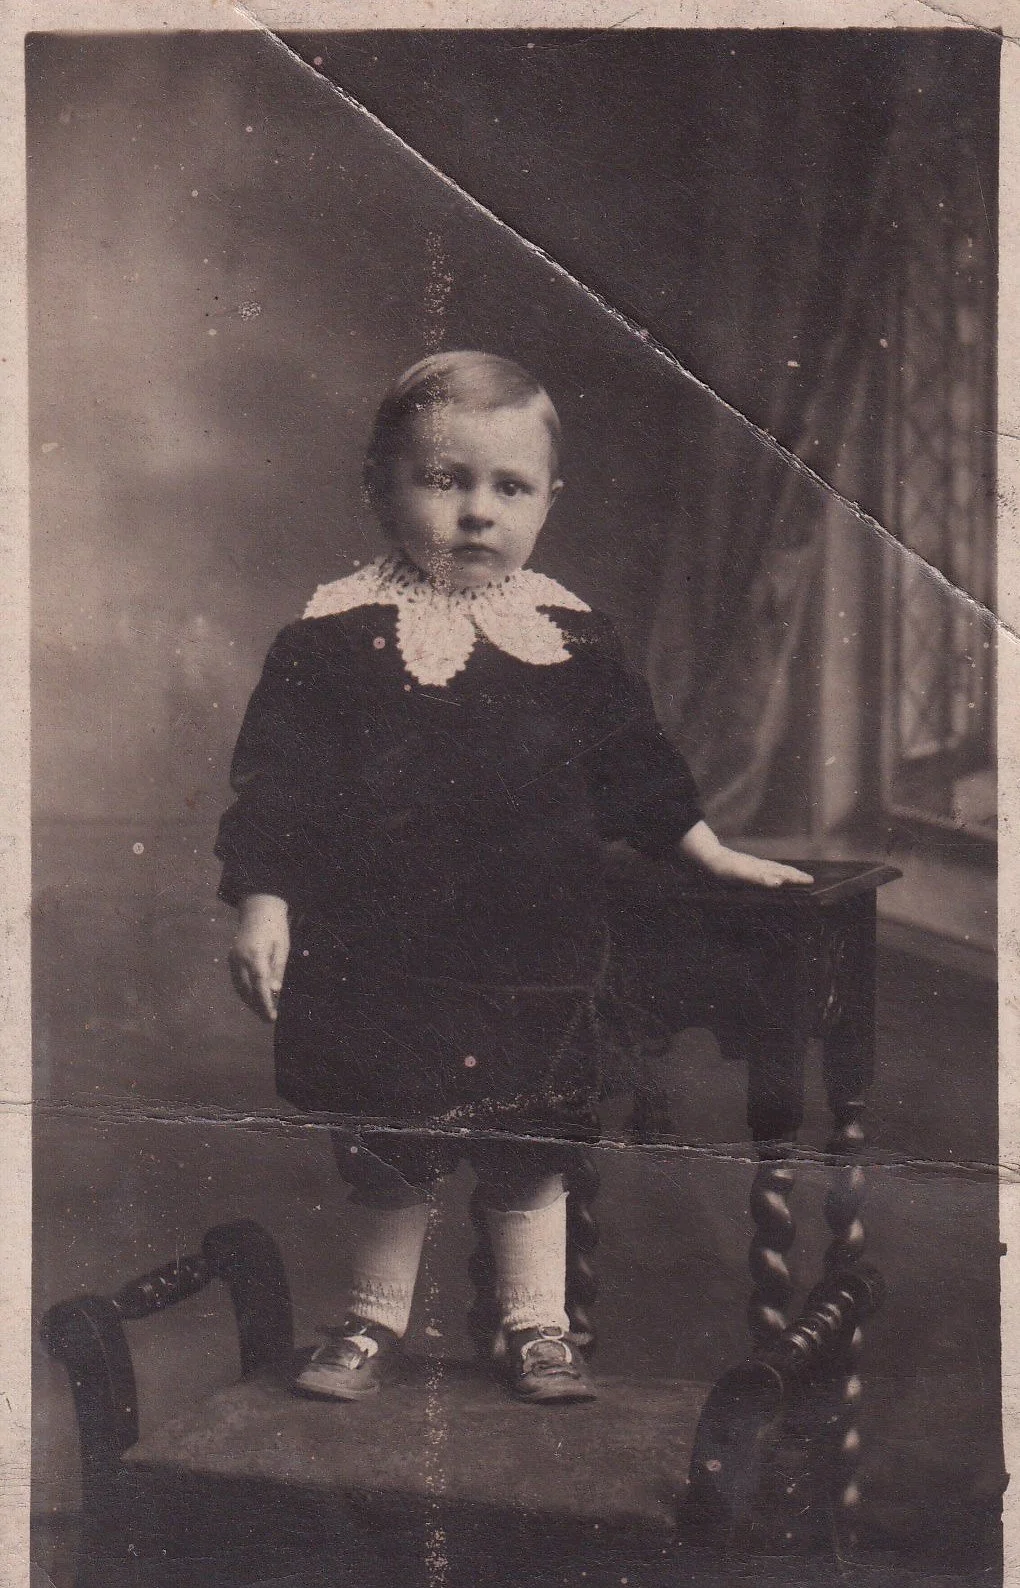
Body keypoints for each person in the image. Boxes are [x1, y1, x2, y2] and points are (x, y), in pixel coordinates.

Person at [215, 350, 811, 1407]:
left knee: (529, 1140)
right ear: (378, 482)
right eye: (444, 481)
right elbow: (279, 787)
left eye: (510, 487)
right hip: (382, 948)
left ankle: (537, 1325)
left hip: (535, 946)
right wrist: (264, 897)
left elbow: (637, 765)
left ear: (549, 500)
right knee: (393, 1132)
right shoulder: (332, 634)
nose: (478, 512)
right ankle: (371, 1316)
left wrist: (704, 848)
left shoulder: (571, 634)